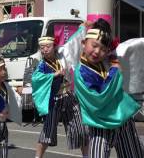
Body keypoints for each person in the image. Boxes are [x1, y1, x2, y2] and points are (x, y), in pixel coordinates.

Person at [74, 18, 144, 158]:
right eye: (94, 45)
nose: (97, 51)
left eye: (103, 49)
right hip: (100, 125)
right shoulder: (82, 72)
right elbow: (99, 98)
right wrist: (115, 71)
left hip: (123, 121)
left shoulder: (107, 61)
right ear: (83, 43)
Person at [32, 35, 89, 158]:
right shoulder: (42, 64)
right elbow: (35, 78)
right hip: (54, 100)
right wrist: (53, 75)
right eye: (42, 47)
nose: (45, 49)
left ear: (54, 47)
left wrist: (82, 29)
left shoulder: (62, 57)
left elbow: (72, 43)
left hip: (69, 96)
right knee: (47, 132)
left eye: (48, 46)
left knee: (81, 129)